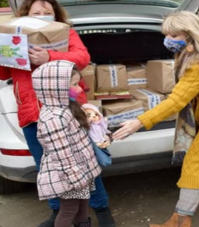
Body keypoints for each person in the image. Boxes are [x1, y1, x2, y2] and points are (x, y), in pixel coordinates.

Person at [113, 11, 199, 227]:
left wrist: (140, 121)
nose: (168, 39)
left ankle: (180, 219)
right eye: (167, 34)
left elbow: (177, 100)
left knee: (195, 165)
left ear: (191, 35)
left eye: (174, 35)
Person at [0, 0, 116, 226]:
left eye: (47, 13)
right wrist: (7, 50)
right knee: (48, 167)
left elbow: (82, 58)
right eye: (37, 13)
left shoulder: (66, 33)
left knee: (83, 163)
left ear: (56, 15)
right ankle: (59, 211)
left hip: (69, 112)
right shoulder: (15, 36)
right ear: (26, 15)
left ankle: (101, 209)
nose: (42, 16)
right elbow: (3, 73)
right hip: (33, 114)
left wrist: (50, 57)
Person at [32, 60, 102, 227]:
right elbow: (62, 153)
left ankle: (83, 224)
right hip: (70, 175)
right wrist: (76, 177)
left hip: (80, 171)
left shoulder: (65, 107)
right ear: (54, 87)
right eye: (74, 84)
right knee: (69, 209)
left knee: (83, 204)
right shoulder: (54, 118)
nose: (79, 89)